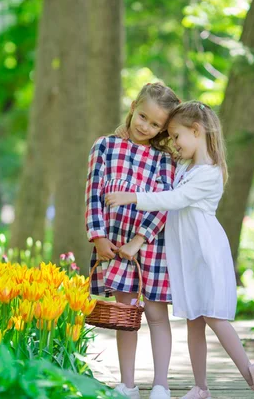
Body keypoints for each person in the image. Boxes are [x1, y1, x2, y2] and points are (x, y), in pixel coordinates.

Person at [105, 101, 254, 399]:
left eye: (177, 136)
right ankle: (200, 387)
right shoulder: (184, 165)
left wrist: (132, 197)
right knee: (194, 320)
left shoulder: (210, 173)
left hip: (205, 252)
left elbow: (174, 198)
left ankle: (251, 373)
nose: (173, 143)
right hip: (187, 255)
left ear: (196, 132)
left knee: (213, 316)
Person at [85, 82, 180, 399]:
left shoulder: (162, 160)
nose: (146, 127)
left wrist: (139, 240)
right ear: (133, 107)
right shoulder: (105, 147)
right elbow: (93, 196)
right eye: (143, 117)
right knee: (125, 314)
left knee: (155, 314)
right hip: (114, 246)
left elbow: (166, 202)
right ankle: (127, 383)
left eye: (156, 125)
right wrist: (98, 237)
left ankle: (161, 385)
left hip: (149, 247)